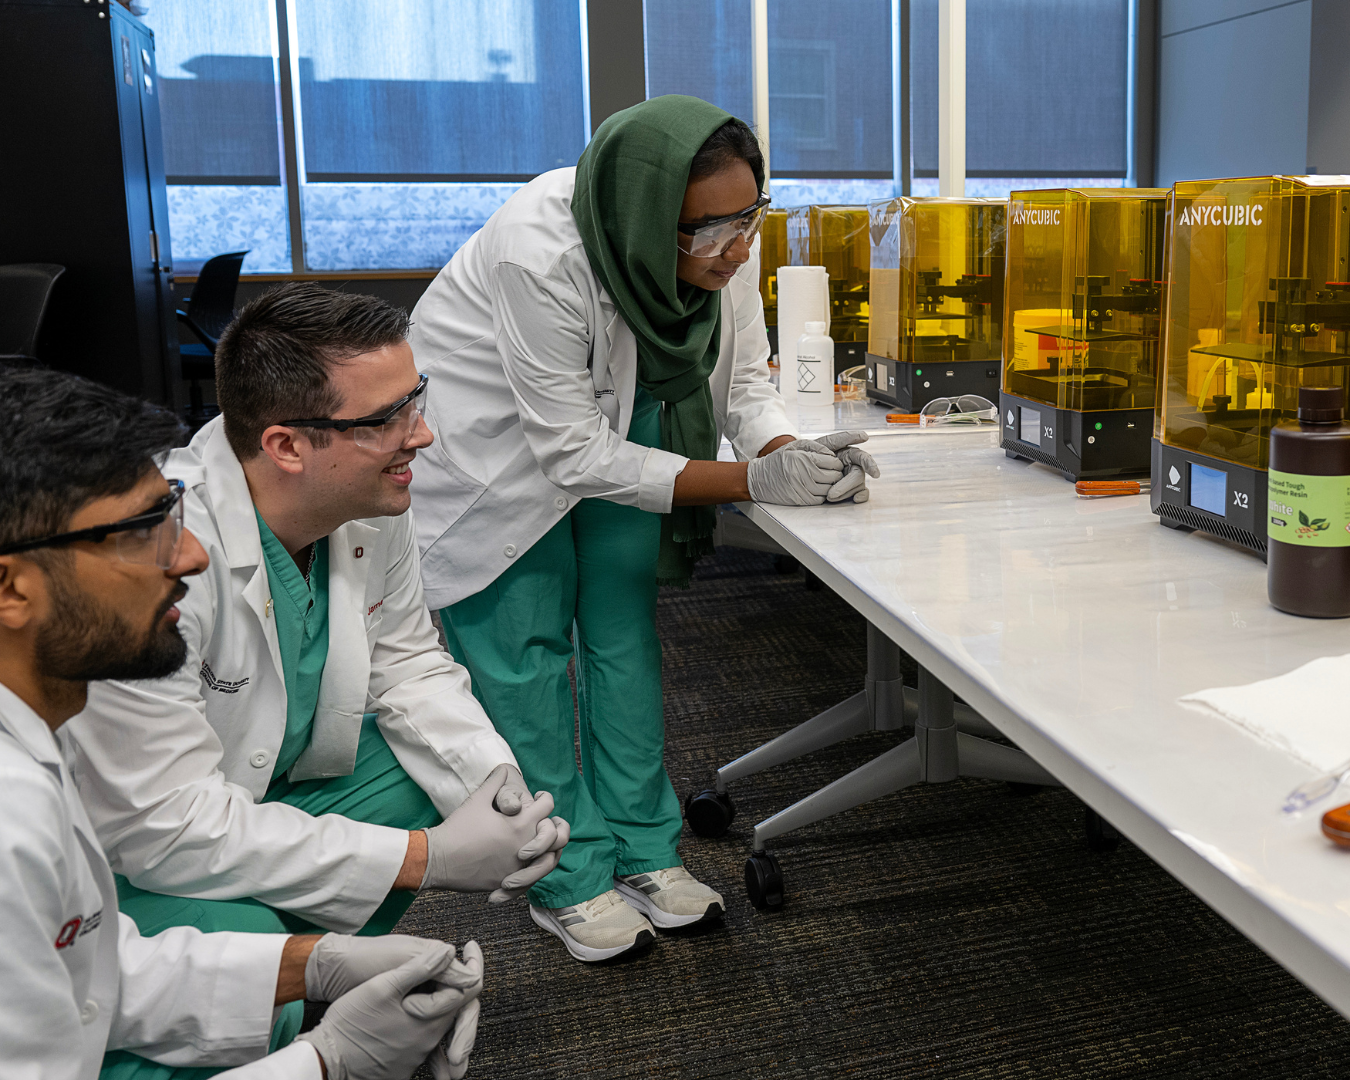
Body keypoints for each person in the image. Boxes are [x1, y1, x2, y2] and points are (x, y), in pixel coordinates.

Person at [407, 94, 880, 963]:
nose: (737, 250)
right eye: (712, 232)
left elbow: (743, 385)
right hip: (495, 460)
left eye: (752, 221)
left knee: (624, 642)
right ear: (648, 215)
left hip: (622, 434)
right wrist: (749, 478)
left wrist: (790, 453)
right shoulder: (538, 252)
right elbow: (568, 451)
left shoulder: (724, 239)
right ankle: (567, 874)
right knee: (528, 665)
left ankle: (645, 848)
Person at [0, 364, 484, 1080]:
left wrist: (309, 967)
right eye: (142, 532)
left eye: (170, 512)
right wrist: (324, 1065)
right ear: (11, 587)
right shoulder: (10, 822)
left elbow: (98, 974)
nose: (192, 555)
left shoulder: (30, 737)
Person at [62, 284, 569, 954]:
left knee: (435, 774)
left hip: (263, 788)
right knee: (239, 936)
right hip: (114, 855)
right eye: (387, 418)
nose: (422, 434)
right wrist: (426, 859)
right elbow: (162, 826)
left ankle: (300, 976)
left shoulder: (364, 499)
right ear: (287, 446)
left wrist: (503, 803)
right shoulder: (157, 561)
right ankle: (283, 983)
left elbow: (409, 665)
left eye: (416, 399)